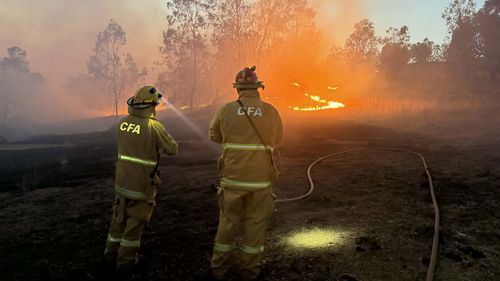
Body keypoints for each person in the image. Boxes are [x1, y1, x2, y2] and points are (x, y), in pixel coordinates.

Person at [207, 66, 283, 281]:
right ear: (258, 87)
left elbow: (214, 136)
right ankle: (250, 273)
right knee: (255, 226)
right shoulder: (270, 111)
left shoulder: (226, 110)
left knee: (227, 224)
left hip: (232, 180)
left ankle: (218, 271)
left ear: (237, 89)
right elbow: (278, 139)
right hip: (260, 182)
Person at [103, 85, 178, 273]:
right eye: (155, 105)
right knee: (133, 227)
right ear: (151, 106)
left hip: (122, 182)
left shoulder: (122, 122)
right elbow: (172, 149)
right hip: (141, 186)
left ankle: (110, 255)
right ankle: (125, 264)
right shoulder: (154, 127)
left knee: (118, 221)